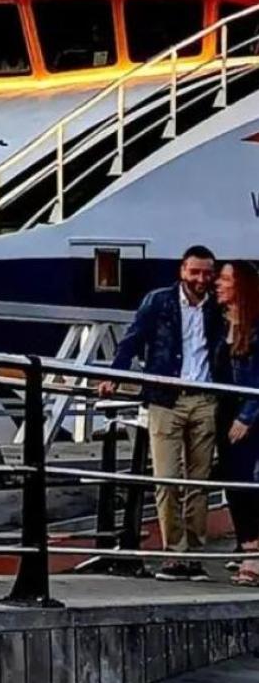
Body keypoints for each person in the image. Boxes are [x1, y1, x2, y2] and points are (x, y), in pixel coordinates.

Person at [101, 245, 224, 579]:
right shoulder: (158, 301)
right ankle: (174, 553)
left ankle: (194, 555)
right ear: (182, 271)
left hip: (205, 398)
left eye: (206, 272)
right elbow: (132, 340)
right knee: (166, 479)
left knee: (198, 482)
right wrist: (115, 376)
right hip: (164, 398)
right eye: (195, 271)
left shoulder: (217, 309)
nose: (201, 278)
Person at [213, 260, 259, 585]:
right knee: (232, 481)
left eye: (226, 279)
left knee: (246, 481)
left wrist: (247, 416)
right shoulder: (219, 323)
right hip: (223, 412)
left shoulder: (256, 328)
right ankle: (247, 545)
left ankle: (253, 554)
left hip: (248, 414)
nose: (218, 283)